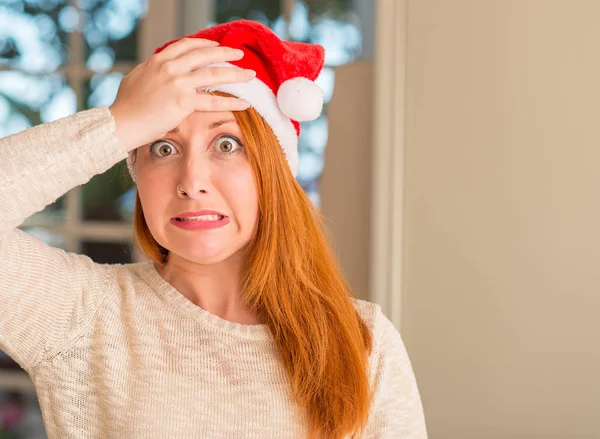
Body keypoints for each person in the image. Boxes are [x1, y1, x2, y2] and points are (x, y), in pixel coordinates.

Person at [0, 19, 427, 439]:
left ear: (272, 172)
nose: (191, 181)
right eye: (162, 147)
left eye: (227, 144)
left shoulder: (364, 342)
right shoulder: (81, 314)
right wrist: (120, 123)